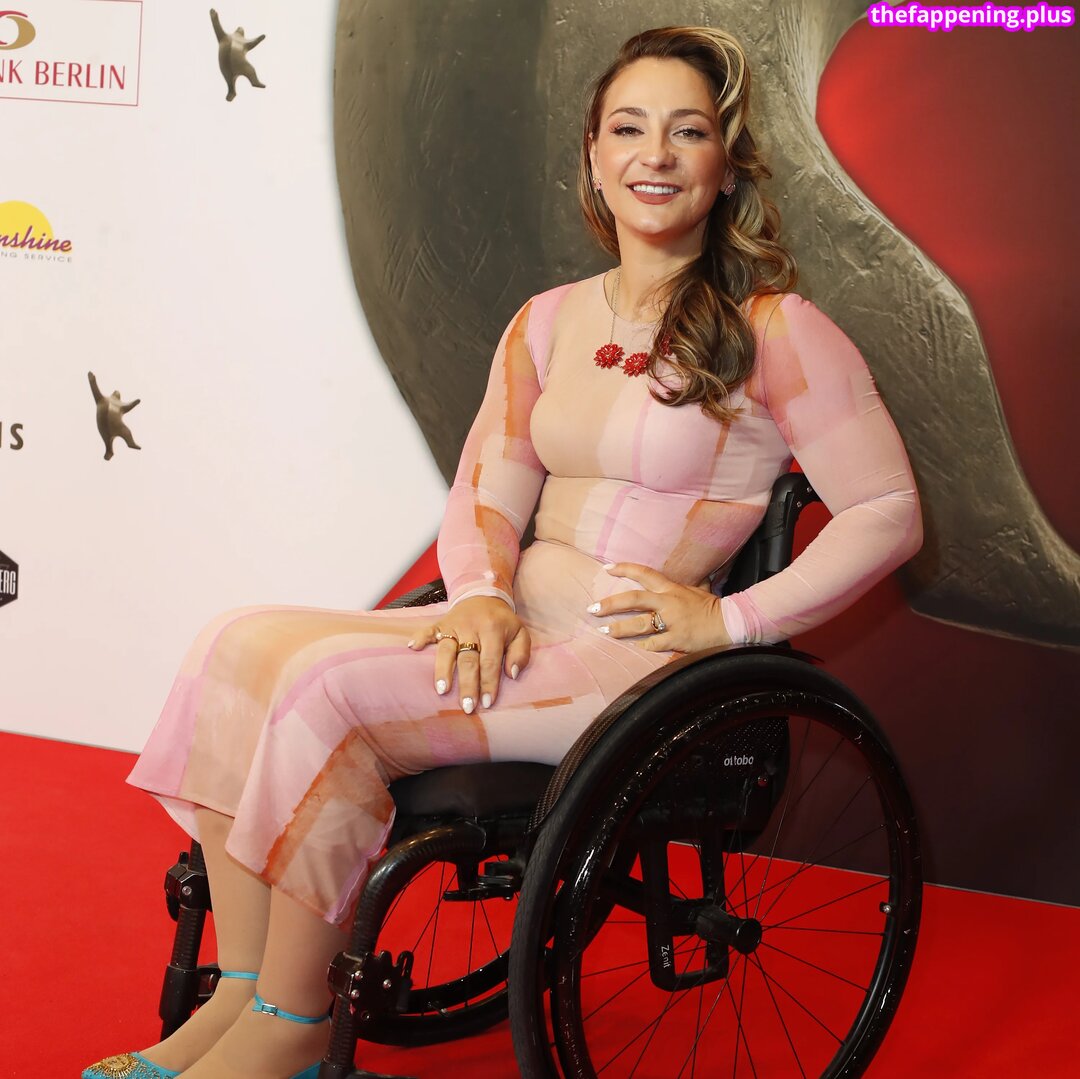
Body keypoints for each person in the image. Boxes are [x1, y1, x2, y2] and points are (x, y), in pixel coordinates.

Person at [83, 24, 922, 1079]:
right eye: (629, 129)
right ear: (593, 157)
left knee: (323, 691)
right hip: (517, 624)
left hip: (630, 665)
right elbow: (487, 486)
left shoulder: (778, 329)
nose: (655, 155)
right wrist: (479, 592)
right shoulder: (548, 321)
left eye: (688, 131)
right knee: (235, 645)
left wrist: (733, 618)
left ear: (725, 164)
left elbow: (888, 509)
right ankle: (242, 997)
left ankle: (291, 1022)